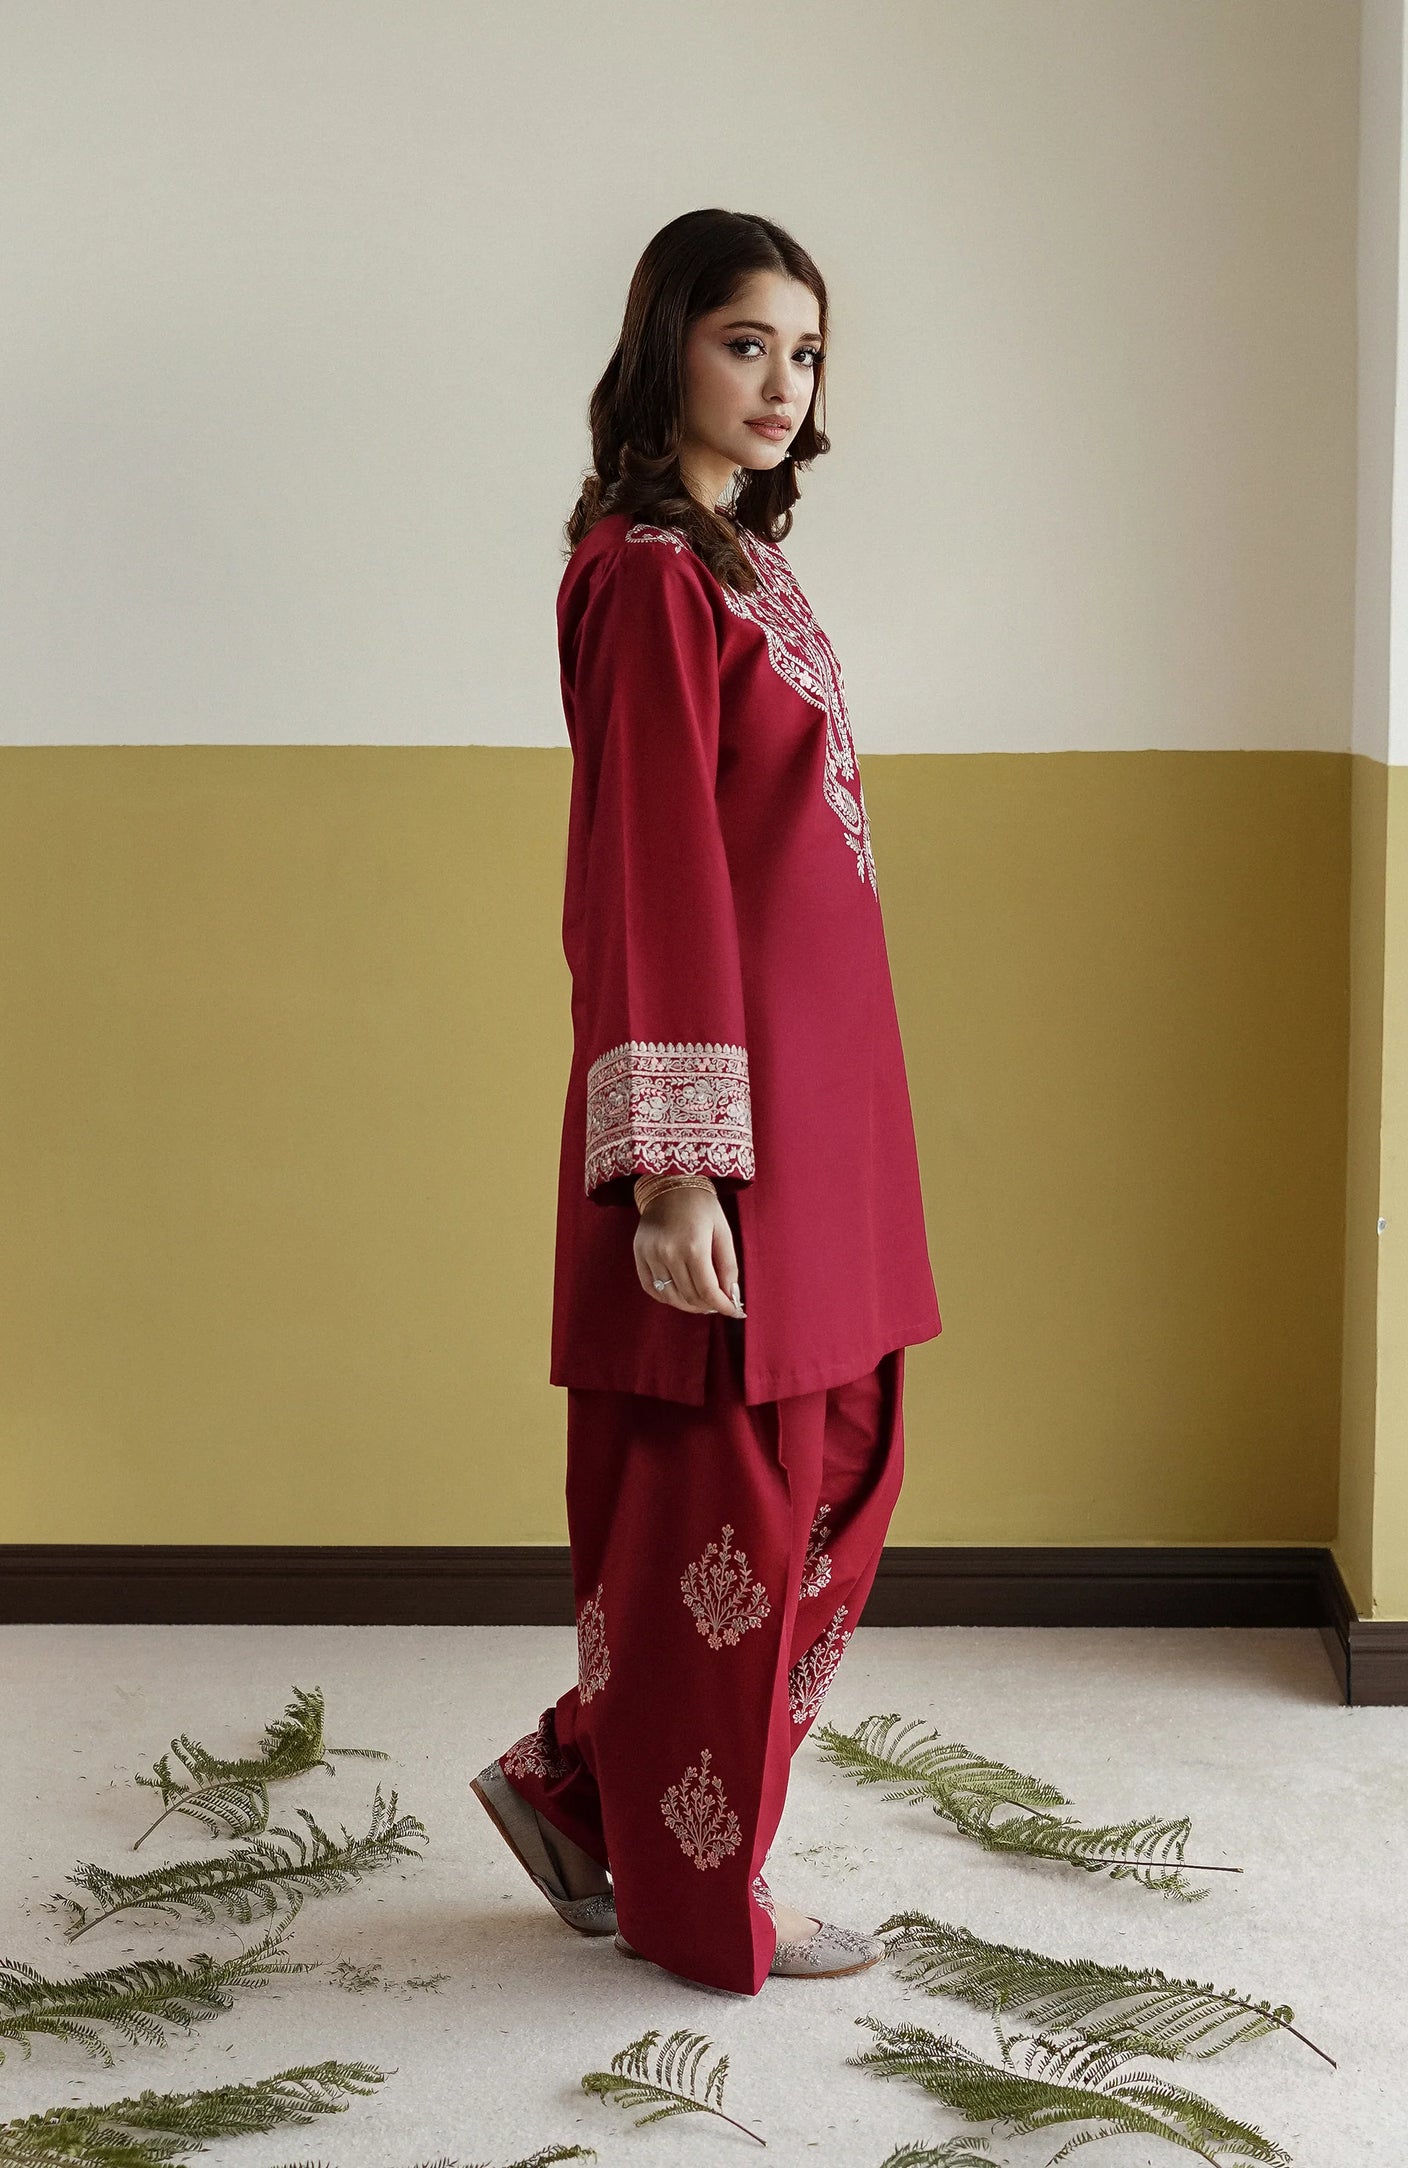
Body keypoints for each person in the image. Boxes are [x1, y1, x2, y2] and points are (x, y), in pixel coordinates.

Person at [472, 208, 942, 1997]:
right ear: (664, 342)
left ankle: (575, 1789)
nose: (781, 381)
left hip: (828, 1115)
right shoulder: (650, 577)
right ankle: (697, 1895)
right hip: (726, 1123)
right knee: (721, 1503)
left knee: (836, 1457)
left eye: (804, 352)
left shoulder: (740, 564)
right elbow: (648, 873)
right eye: (746, 341)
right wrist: (674, 1169)